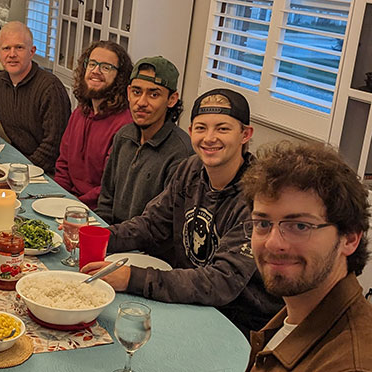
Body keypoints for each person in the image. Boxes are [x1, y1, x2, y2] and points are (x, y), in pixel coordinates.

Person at [82, 88, 283, 336]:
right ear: (190, 133)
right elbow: (151, 225)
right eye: (201, 128)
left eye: (222, 129)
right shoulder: (191, 169)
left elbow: (221, 282)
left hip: (238, 324)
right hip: (188, 303)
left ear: (245, 134)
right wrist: (99, 236)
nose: (209, 138)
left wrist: (130, 278)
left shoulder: (259, 196)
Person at [240, 142, 372, 371]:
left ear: (349, 238)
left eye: (300, 226)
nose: (273, 243)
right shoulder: (298, 311)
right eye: (262, 223)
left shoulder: (350, 364)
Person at [0, 21, 70, 174]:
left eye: (19, 47)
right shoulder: (0, 81)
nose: (12, 54)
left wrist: (18, 173)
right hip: (18, 160)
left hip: (46, 172)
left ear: (32, 51)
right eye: (6, 48)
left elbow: (52, 147)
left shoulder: (50, 88)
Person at [95, 56, 194, 224]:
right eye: (136, 92)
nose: (141, 102)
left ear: (172, 99)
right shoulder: (123, 136)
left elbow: (163, 225)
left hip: (145, 247)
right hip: (113, 236)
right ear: (128, 93)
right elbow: (106, 200)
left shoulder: (181, 152)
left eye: (153, 94)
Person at [53, 40, 134, 209]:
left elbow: (109, 187)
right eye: (92, 64)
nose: (96, 71)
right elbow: (63, 164)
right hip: (67, 201)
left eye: (106, 67)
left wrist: (71, 206)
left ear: (120, 77)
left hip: (97, 211)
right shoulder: (80, 112)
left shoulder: (125, 125)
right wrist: (56, 198)